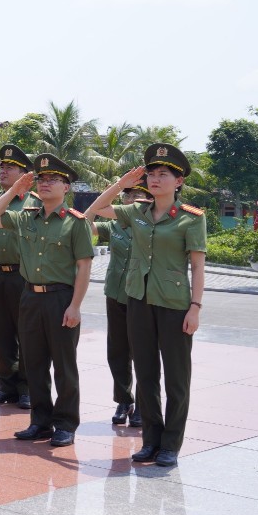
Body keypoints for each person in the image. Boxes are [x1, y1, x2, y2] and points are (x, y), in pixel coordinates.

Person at [87, 144, 206, 468]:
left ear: (178, 181)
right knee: (147, 374)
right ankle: (150, 441)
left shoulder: (190, 219)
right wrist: (122, 184)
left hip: (174, 306)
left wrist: (195, 307)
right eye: (151, 174)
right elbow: (96, 209)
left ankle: (170, 445)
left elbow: (197, 266)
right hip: (138, 301)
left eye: (163, 174)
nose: (155, 179)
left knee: (177, 379)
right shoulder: (135, 212)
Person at [0, 154, 94, 447]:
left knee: (63, 365)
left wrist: (75, 306)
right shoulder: (26, 217)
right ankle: (40, 421)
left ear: (67, 187)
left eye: (53, 180)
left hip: (61, 299)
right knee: (34, 364)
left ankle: (65, 424)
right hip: (30, 296)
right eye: (41, 179)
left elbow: (84, 266)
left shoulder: (76, 223)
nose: (46, 184)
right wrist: (13, 190)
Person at [0, 144, 36, 409]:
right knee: (1, 334)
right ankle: (7, 386)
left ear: (24, 174)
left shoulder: (34, 204)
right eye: (1, 167)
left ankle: (26, 388)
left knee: (25, 334)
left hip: (23, 276)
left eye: (10, 167)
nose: (3, 171)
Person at [93, 178, 148, 426]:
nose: (131, 199)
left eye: (138, 195)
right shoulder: (114, 225)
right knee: (117, 351)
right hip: (115, 293)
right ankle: (124, 400)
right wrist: (116, 186)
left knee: (142, 352)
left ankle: (144, 406)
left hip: (142, 296)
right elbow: (86, 220)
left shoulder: (150, 225)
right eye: (127, 195)